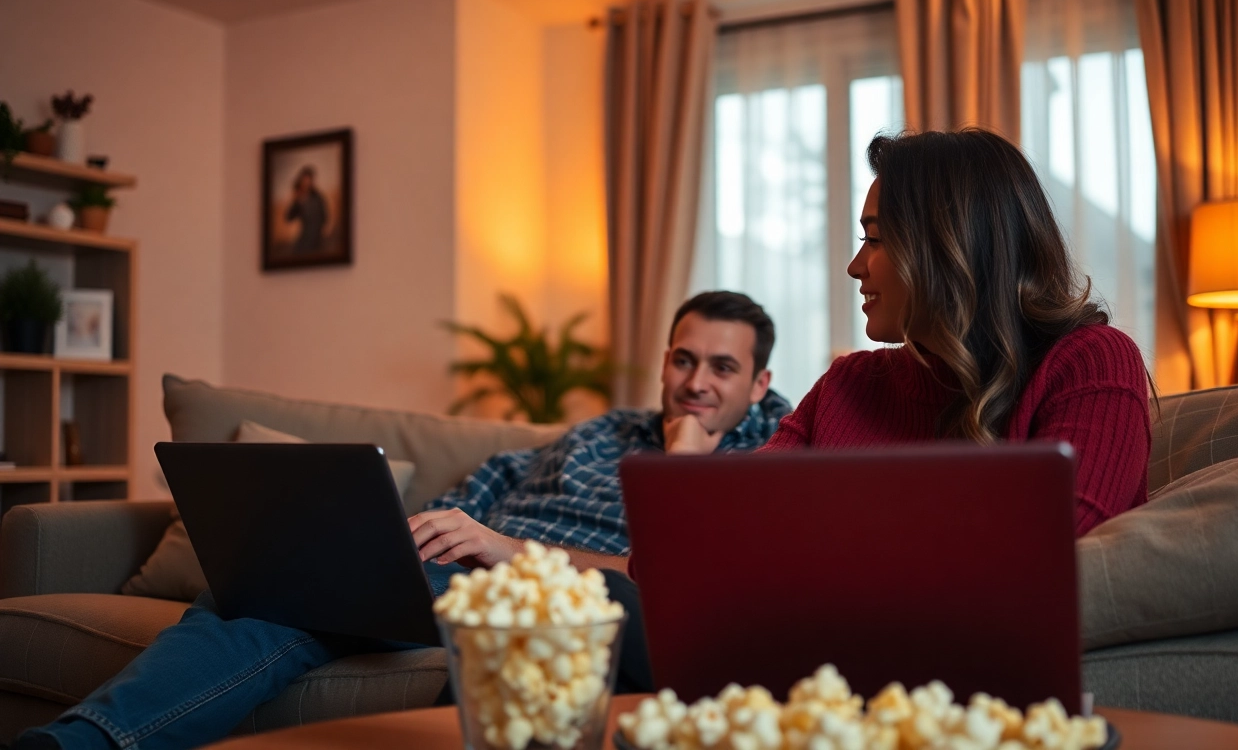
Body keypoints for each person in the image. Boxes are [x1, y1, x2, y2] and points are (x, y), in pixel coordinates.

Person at [16, 291, 790, 750]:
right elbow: (477, 493)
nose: (695, 382)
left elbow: (677, 591)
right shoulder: (595, 433)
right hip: (456, 579)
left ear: (759, 384)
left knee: (306, 582)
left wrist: (678, 466)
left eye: (721, 369)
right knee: (282, 579)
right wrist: (407, 535)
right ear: (662, 360)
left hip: (561, 608)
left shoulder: (775, 457)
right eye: (683, 360)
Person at [762, 128, 1151, 536]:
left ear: (953, 246)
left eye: (875, 239)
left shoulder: (1092, 362)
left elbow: (1048, 551)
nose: (855, 266)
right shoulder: (846, 384)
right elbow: (740, 515)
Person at [283, 166, 330, 254]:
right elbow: (289, 217)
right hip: (305, 239)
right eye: (304, 180)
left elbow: (325, 217)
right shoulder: (299, 200)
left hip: (317, 239)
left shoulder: (318, 197)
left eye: (309, 179)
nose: (307, 182)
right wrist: (296, 201)